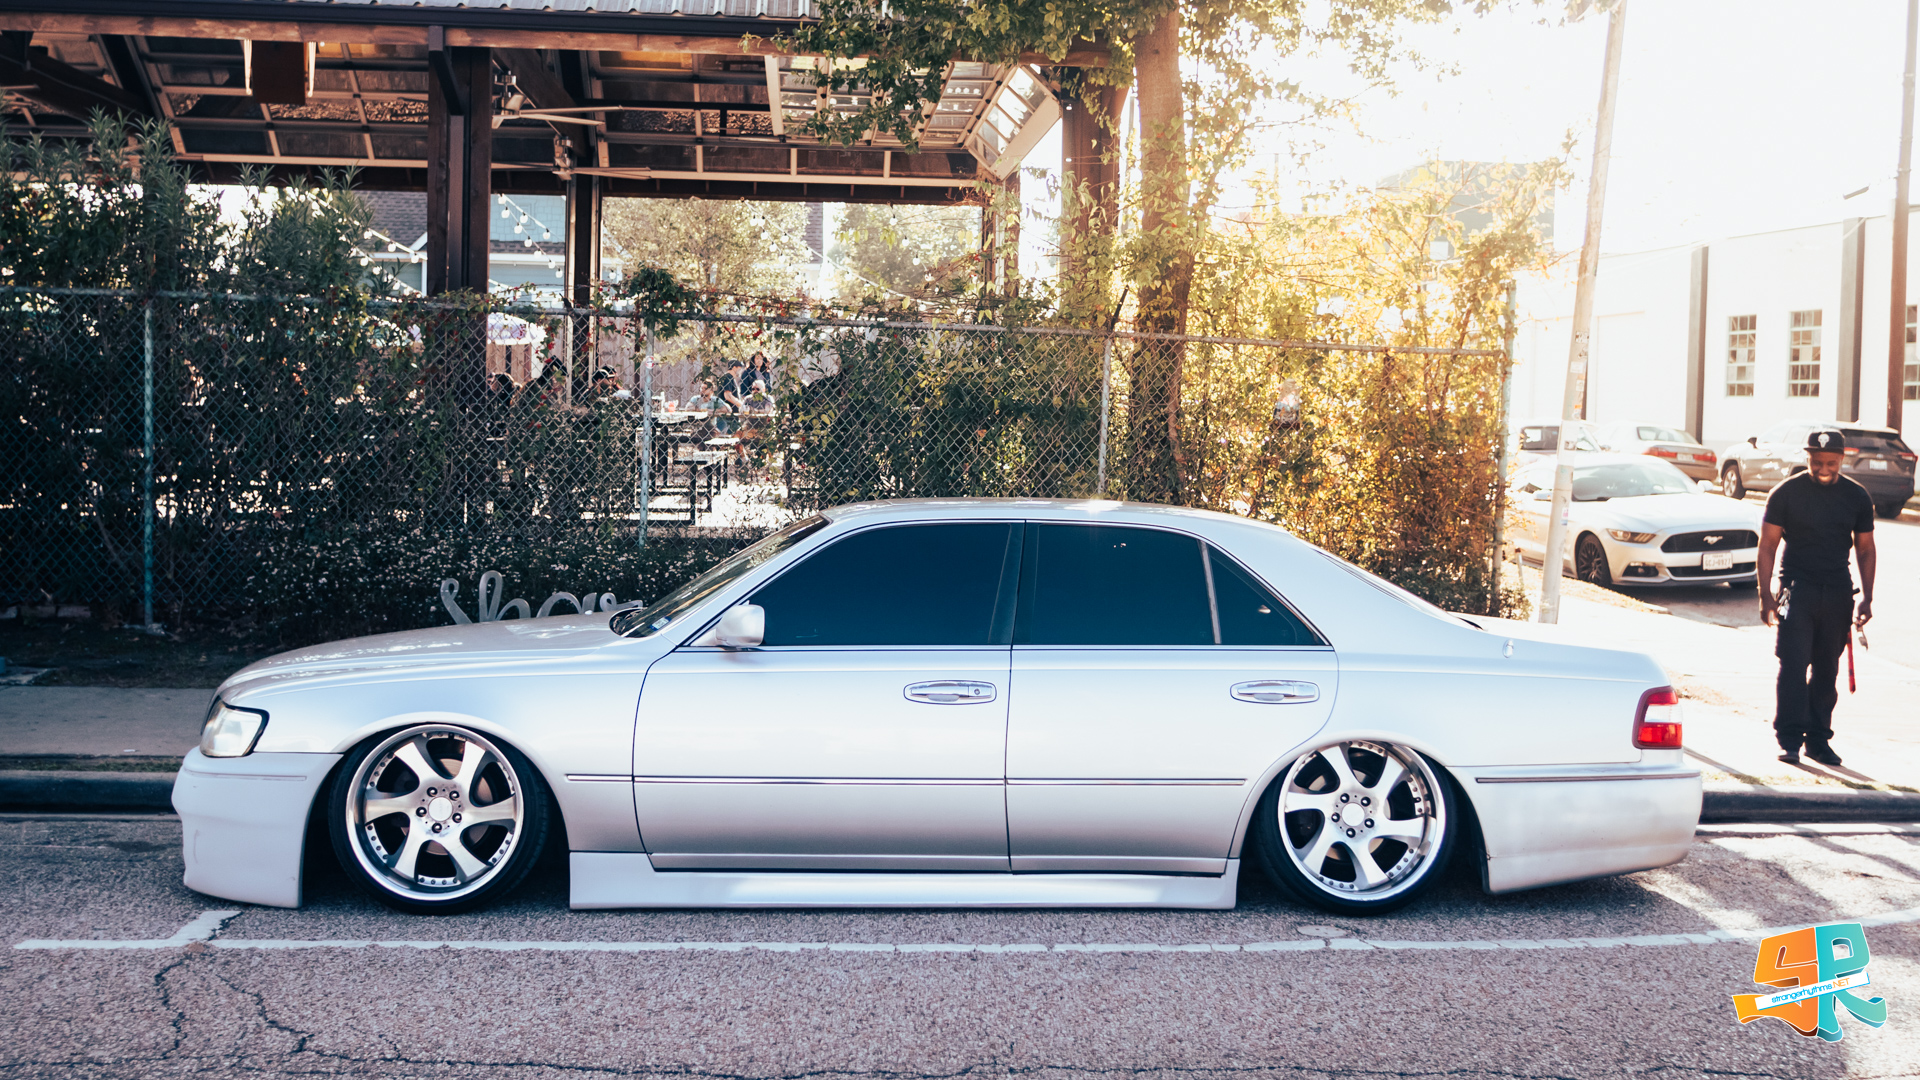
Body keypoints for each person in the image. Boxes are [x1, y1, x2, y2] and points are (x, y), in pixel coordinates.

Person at [1758, 428, 1878, 767]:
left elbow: (1866, 549)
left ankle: (1818, 741)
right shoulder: (1785, 493)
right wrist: (1765, 595)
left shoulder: (1857, 496)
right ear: (1807, 457)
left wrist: (1867, 597)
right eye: (1816, 462)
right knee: (1793, 667)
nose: (1823, 469)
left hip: (1838, 592)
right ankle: (1790, 740)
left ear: (1842, 458)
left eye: (1830, 463)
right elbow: (1767, 546)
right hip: (1797, 590)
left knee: (1827, 671)